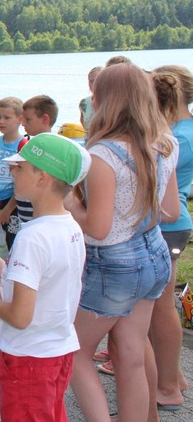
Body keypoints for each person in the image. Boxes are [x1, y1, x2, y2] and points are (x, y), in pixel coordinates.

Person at [66, 62, 179, 422]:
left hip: (114, 264)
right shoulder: (165, 143)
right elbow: (171, 210)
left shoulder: (102, 155)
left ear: (104, 100)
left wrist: (69, 203)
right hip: (154, 254)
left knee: (74, 353)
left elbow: (98, 229)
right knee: (131, 356)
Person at [0, 133, 91, 422]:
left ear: (42, 178)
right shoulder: (70, 227)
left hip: (29, 358)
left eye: (20, 167)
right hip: (58, 350)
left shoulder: (32, 237)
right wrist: (6, 271)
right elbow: (52, 280)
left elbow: (19, 317)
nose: (12, 171)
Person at [148, 65, 193, 412]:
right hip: (168, 222)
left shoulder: (181, 135)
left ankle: (167, 388)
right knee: (158, 307)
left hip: (168, 224)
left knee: (161, 308)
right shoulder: (177, 130)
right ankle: (173, 376)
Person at [0, 97, 26, 251]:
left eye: (7, 118)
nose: (1, 121)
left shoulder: (23, 147)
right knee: (0, 244)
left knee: (14, 243)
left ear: (20, 119)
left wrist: (7, 210)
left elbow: (23, 184)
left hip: (13, 204)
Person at [16, 95, 58, 227]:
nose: (23, 123)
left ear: (45, 119)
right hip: (23, 212)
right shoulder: (29, 145)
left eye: (28, 119)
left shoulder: (51, 149)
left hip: (38, 215)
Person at [79, 67, 101, 136]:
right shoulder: (84, 103)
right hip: (89, 138)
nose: (94, 84)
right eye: (91, 81)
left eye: (97, 80)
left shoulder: (111, 103)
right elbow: (83, 124)